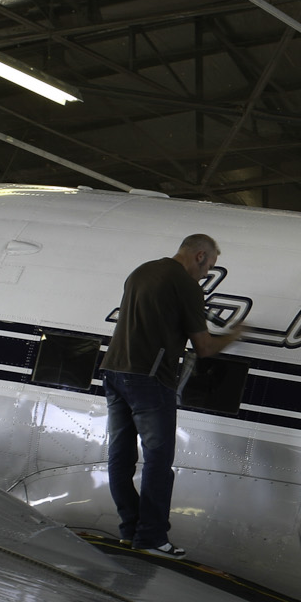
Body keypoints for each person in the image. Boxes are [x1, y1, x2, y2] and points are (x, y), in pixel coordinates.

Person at [102, 234, 244, 557]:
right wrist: (235, 335)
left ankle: (130, 529)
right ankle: (152, 537)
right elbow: (204, 348)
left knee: (120, 457)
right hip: (150, 380)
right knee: (158, 460)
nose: (206, 274)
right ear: (199, 256)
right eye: (208, 267)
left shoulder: (141, 271)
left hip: (113, 370)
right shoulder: (186, 286)